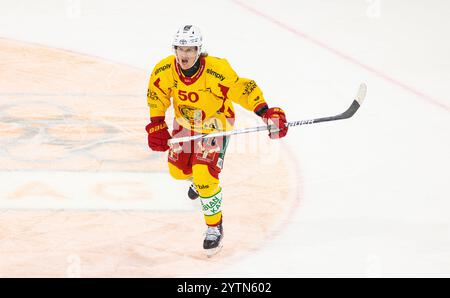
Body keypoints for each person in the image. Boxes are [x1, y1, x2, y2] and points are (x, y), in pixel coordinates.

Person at [145, 25, 288, 257]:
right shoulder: (164, 69)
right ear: (175, 49)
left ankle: (214, 227)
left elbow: (242, 89)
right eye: (181, 48)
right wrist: (156, 123)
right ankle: (196, 181)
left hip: (215, 125)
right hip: (185, 125)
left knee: (204, 175)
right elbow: (156, 95)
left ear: (199, 50)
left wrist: (265, 111)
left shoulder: (216, 70)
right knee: (177, 171)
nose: (185, 54)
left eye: (190, 48)